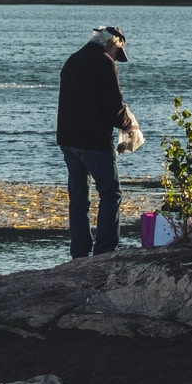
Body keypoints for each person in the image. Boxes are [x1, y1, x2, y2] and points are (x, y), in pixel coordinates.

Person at [57, 25, 139, 257]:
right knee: (111, 193)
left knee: (79, 198)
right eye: (117, 53)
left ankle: (79, 253)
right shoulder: (104, 62)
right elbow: (114, 107)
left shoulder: (72, 60)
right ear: (113, 44)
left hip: (68, 140)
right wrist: (129, 125)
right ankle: (105, 251)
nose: (116, 57)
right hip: (93, 141)